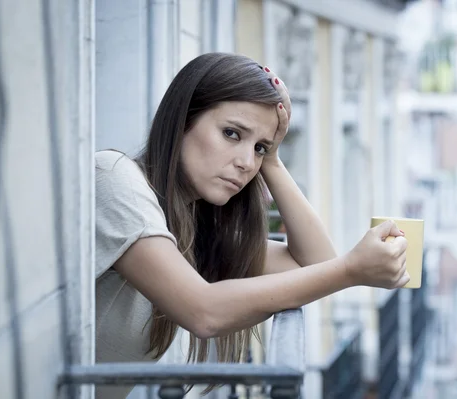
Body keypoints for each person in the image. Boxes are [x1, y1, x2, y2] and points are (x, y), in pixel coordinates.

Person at [95, 52, 409, 398]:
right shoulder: (113, 178)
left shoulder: (189, 222)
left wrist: (273, 159)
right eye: (231, 133)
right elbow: (203, 311)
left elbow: (318, 264)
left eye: (258, 147)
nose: (247, 163)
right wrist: (353, 270)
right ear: (181, 120)